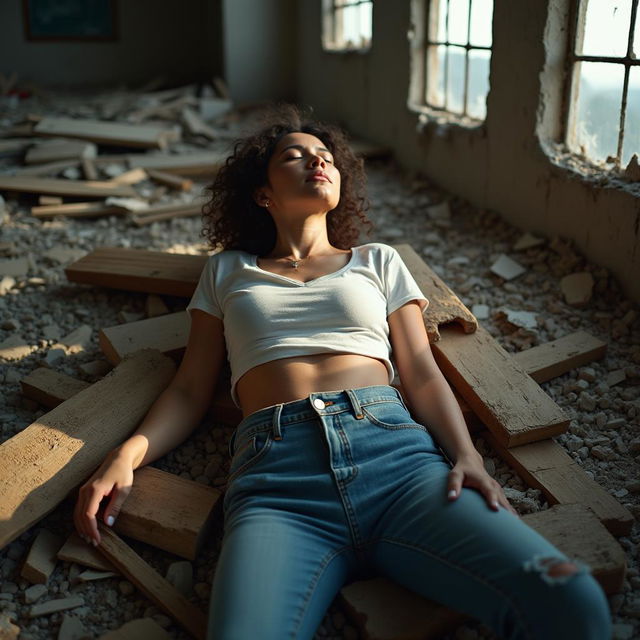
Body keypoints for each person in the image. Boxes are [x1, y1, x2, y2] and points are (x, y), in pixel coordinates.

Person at [74, 105, 611, 640]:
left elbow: (420, 370)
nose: (318, 162)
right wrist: (126, 455)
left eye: (326, 156)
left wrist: (467, 455)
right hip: (278, 485)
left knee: (570, 598)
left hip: (400, 467)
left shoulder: (379, 261)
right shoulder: (226, 270)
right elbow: (190, 389)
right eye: (296, 156)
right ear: (263, 193)